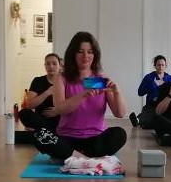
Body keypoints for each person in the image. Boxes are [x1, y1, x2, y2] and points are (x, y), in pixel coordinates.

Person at [30, 31, 128, 162]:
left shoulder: (101, 78)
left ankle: (72, 156)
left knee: (120, 134)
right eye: (81, 51)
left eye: (90, 52)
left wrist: (117, 91)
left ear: (95, 54)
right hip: (68, 137)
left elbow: (120, 113)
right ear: (73, 54)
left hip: (95, 138)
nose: (86, 56)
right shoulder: (62, 77)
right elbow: (60, 108)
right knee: (39, 135)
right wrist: (83, 95)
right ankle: (83, 157)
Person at [19, 53, 62, 133]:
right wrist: (47, 92)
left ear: (60, 66)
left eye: (54, 63)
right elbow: (30, 105)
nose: (51, 66)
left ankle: (40, 132)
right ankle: (47, 132)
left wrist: (58, 111)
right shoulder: (38, 81)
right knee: (23, 112)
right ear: (45, 66)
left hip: (59, 119)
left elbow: (70, 104)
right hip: (41, 120)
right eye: (48, 64)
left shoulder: (65, 81)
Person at [129, 55, 171, 129]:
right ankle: (137, 120)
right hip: (151, 104)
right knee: (150, 113)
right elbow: (140, 92)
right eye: (158, 65)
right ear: (155, 66)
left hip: (165, 105)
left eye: (163, 65)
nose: (161, 67)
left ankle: (141, 120)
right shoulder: (148, 77)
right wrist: (153, 85)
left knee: (156, 118)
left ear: (166, 66)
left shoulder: (170, 78)